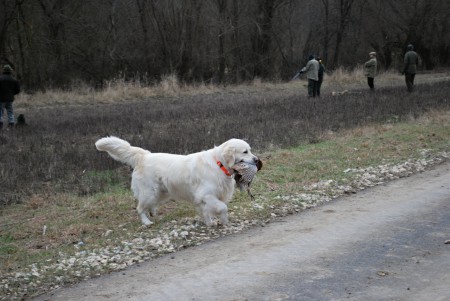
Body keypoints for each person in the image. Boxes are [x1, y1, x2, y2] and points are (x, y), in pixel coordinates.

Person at [0, 64, 20, 128]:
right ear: (10, 71)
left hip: (0, 99)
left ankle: (0, 125)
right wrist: (12, 94)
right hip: (10, 99)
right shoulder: (14, 80)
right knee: (10, 112)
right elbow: (18, 90)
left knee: (0, 112)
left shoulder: (0, 79)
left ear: (3, 71)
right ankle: (11, 124)